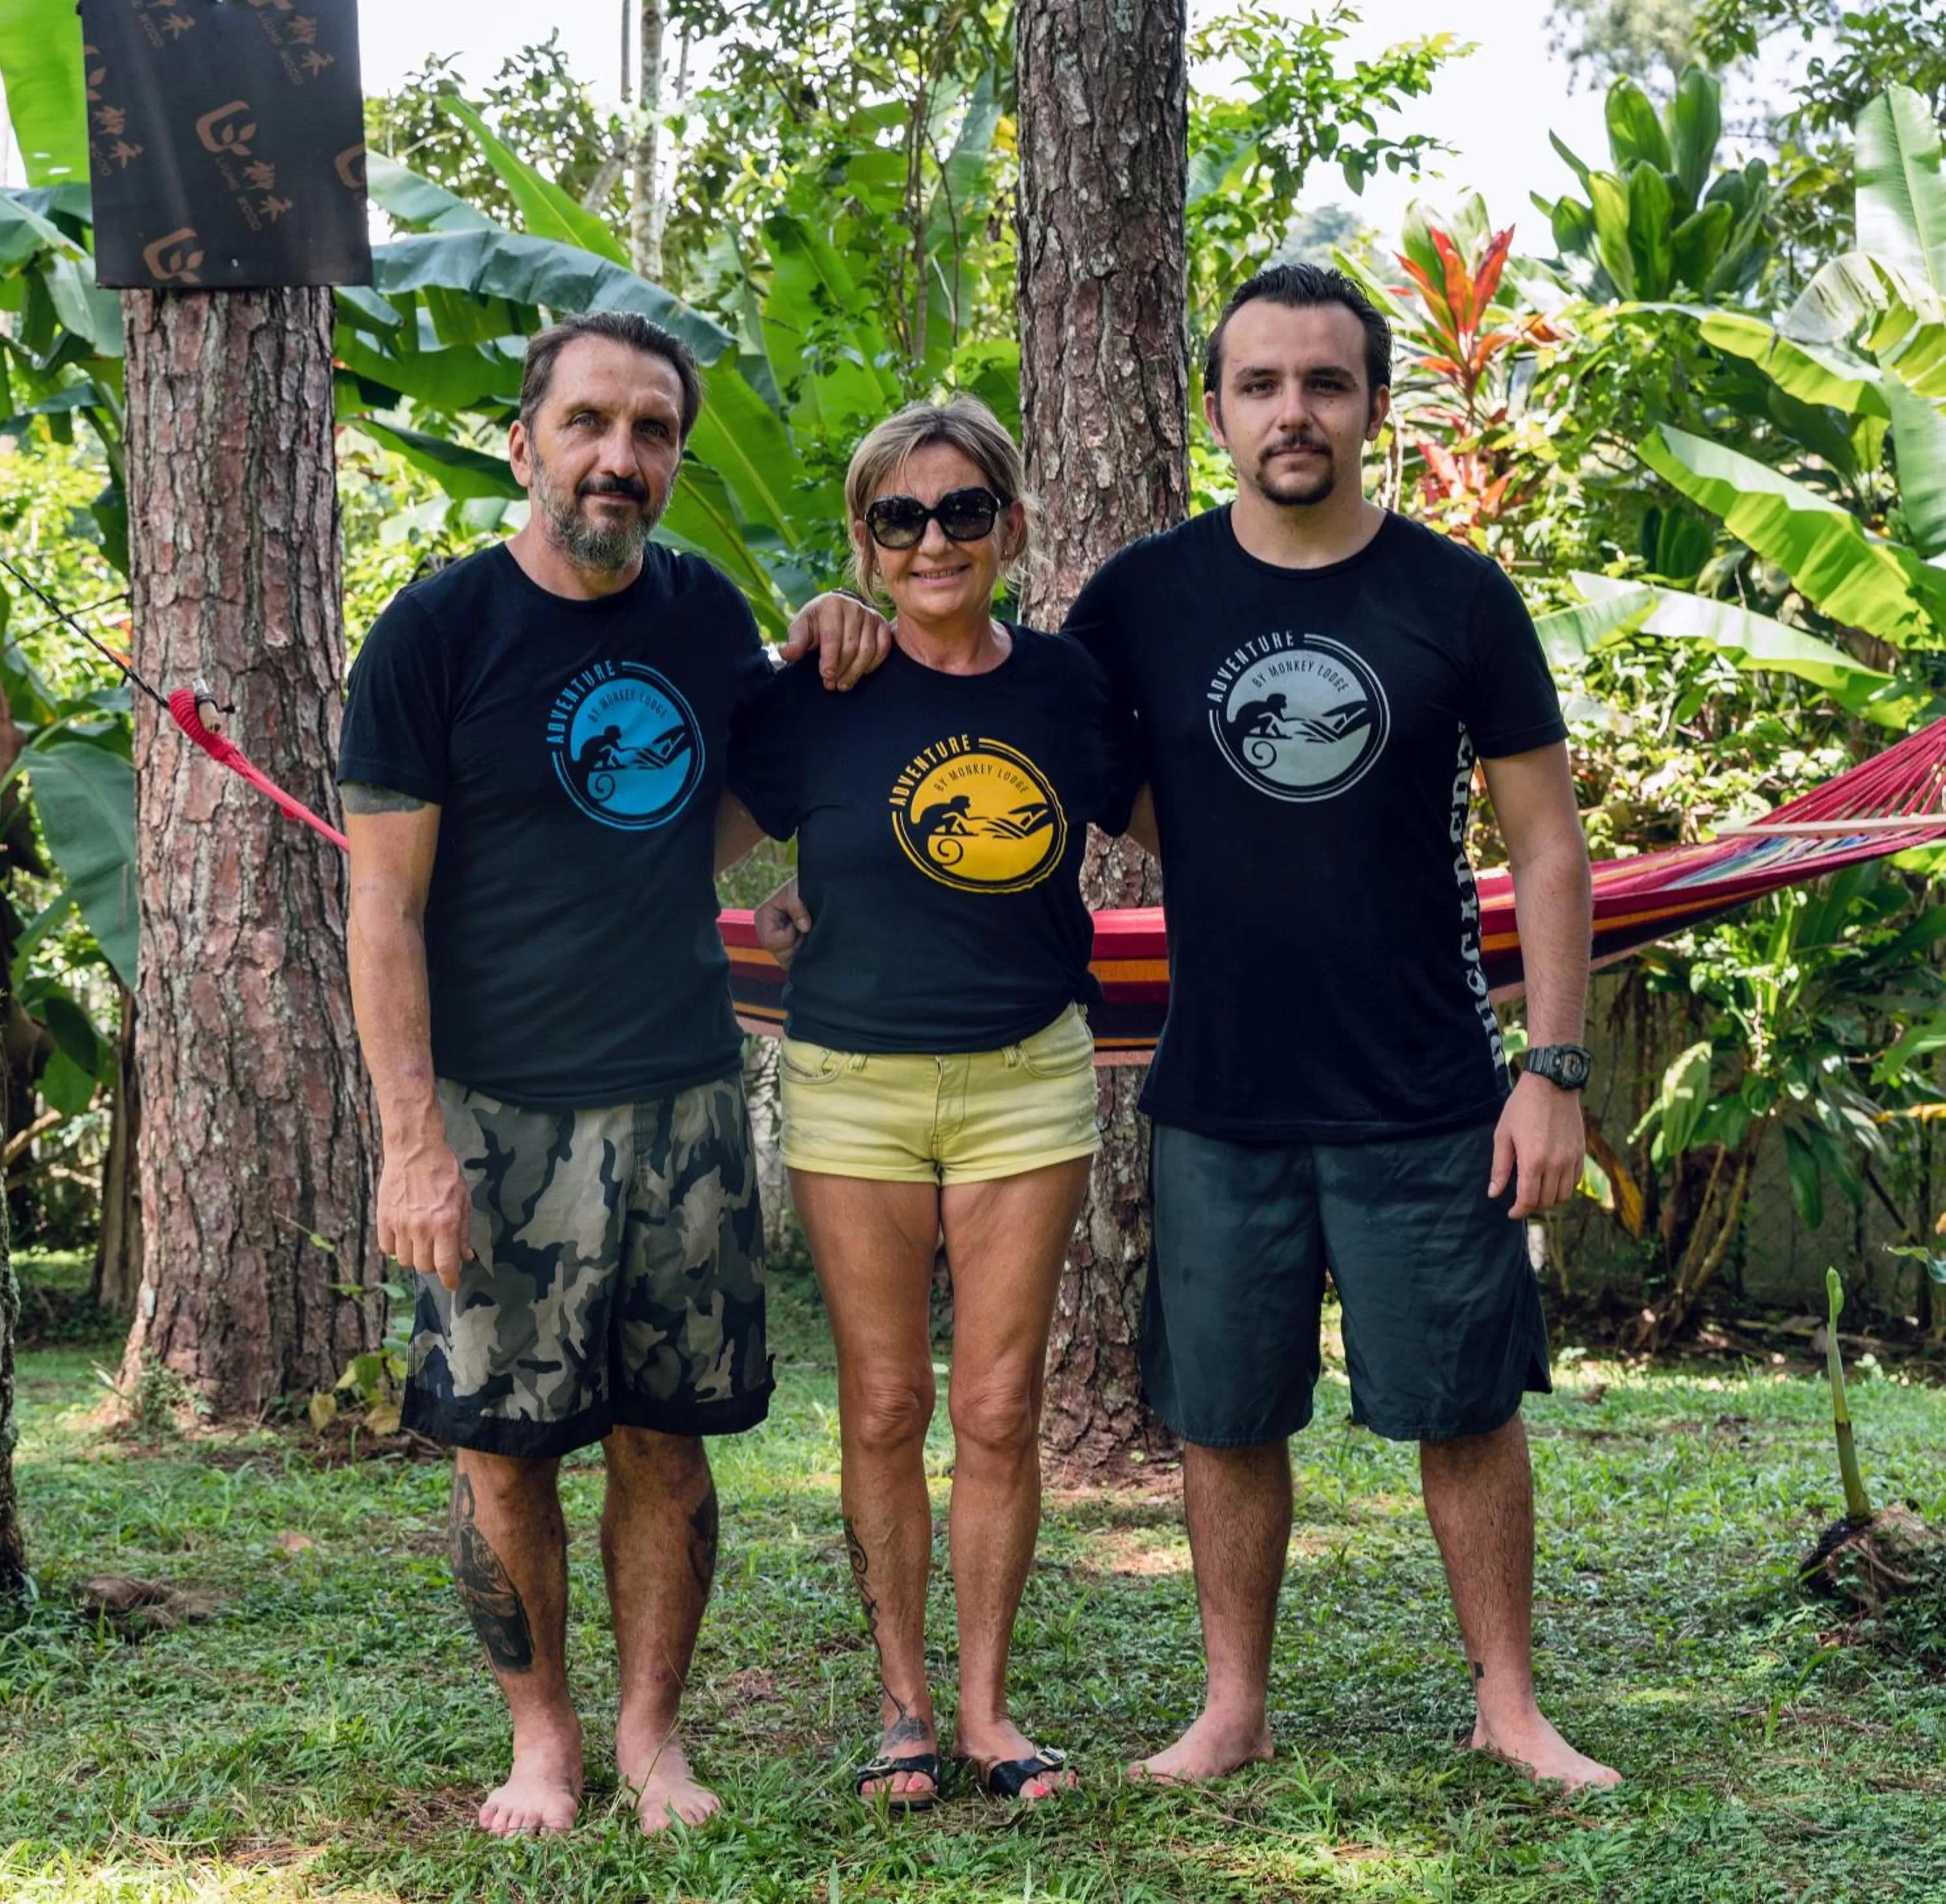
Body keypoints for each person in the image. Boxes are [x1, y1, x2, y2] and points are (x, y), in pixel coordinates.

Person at [785, 265, 1617, 1792]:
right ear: (1219, 407)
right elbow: (994, 732)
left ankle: (1509, 1700)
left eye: (1324, 382)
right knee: (1228, 1417)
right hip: (1219, 1084)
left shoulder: (1455, 596)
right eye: (1259, 384)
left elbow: (1549, 847)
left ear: (1373, 401)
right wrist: (841, 626)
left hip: (1430, 1076)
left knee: (1467, 1405)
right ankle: (1234, 1705)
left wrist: (1549, 1069)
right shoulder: (1144, 601)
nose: (1292, 411)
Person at [339, 310, 890, 1838]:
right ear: (525, 443)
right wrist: (410, 1139)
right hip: (496, 1113)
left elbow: (724, 805)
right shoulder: (436, 634)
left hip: (686, 1099)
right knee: (503, 1448)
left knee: (669, 1431)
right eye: (587, 422)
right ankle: (543, 1744)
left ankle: (652, 1737)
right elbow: (381, 905)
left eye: (651, 430)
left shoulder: (706, 612)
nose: (618, 456)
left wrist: (837, 625)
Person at [728, 397, 1136, 1807]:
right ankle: (900, 1703)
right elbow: (700, 840)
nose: (934, 539)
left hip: (1028, 1074)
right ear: (866, 540)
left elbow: (1191, 825)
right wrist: (780, 903)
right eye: (900, 517)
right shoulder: (817, 690)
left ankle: (986, 1708)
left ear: (1010, 526)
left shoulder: (1073, 688)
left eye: (965, 509)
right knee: (889, 1401)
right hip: (851, 1083)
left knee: (1006, 1405)